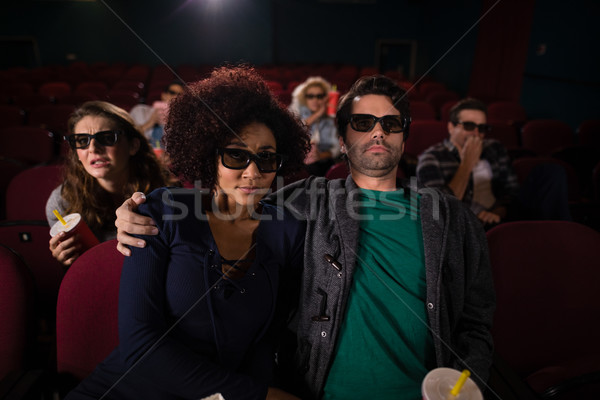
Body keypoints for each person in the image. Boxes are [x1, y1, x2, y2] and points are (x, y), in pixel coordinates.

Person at [115, 76, 495, 399]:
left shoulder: (453, 219)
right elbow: (230, 200)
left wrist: (468, 383)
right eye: (363, 122)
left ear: (403, 136)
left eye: (391, 123)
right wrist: (135, 211)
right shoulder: (305, 201)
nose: (379, 130)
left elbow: (477, 322)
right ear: (342, 140)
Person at [66, 66, 310, 400]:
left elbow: (268, 338)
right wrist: (257, 396)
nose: (253, 172)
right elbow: (139, 344)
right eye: (236, 155)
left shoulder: (288, 232)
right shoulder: (162, 210)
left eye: (266, 158)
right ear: (209, 157)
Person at [45, 100, 168, 266]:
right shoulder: (61, 202)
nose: (93, 149)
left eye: (107, 138)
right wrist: (68, 261)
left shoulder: (164, 191)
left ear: (133, 145)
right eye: (82, 140)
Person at [416, 98, 570, 228]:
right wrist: (467, 164)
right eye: (469, 126)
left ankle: (561, 235)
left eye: (482, 128)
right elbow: (437, 209)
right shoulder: (432, 158)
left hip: (500, 216)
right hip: (463, 226)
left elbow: (511, 192)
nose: (476, 133)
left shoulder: (494, 148)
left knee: (550, 172)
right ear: (451, 127)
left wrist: (498, 211)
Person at [289, 76, 339, 176]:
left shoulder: (329, 119)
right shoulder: (295, 113)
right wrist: (318, 114)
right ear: (305, 98)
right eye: (310, 96)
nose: (315, 100)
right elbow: (298, 127)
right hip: (300, 162)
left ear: (325, 98)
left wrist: (320, 156)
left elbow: (336, 149)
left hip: (323, 164)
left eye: (319, 96)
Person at [129, 80, 184, 147]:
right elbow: (129, 138)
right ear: (164, 95)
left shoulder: (182, 120)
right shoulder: (139, 110)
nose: (176, 97)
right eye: (172, 93)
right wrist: (150, 122)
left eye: (180, 95)